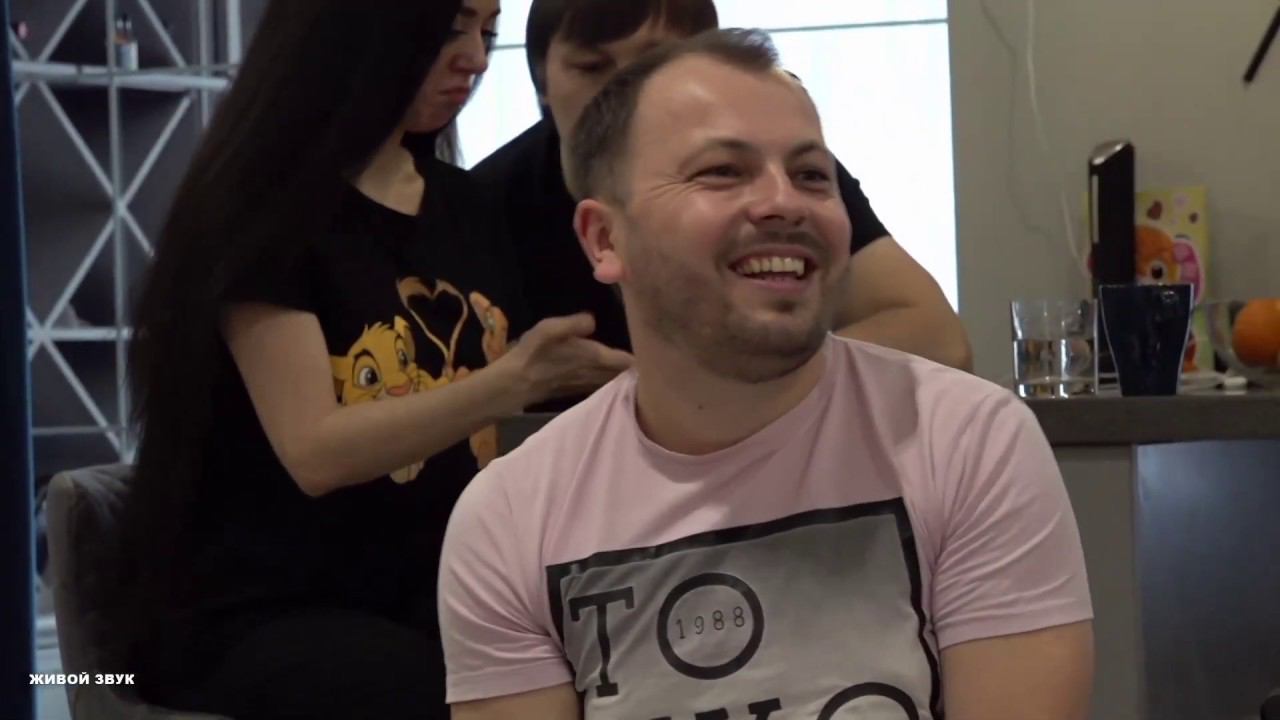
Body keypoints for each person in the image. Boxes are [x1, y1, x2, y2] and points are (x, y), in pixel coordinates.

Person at [439, 29, 1094, 720]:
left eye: (812, 176)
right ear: (605, 238)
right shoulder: (511, 518)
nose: (786, 203)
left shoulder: (966, 441)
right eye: (723, 171)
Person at [120, 1, 630, 717]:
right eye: (450, 28)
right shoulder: (265, 210)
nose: (475, 59)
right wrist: (513, 380)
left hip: (431, 586)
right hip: (263, 612)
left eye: (487, 33)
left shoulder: (465, 203)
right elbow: (316, 451)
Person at [472, 0, 973, 405]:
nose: (626, 95)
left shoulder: (782, 175)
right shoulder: (481, 203)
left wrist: (709, 380)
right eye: (592, 67)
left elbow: (938, 339)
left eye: (654, 65)